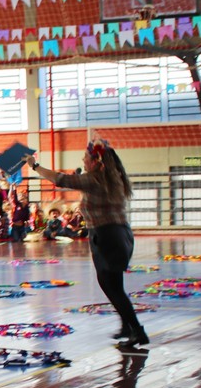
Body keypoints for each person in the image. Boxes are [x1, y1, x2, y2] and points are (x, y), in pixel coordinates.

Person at [28, 140, 147, 348]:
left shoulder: (95, 179)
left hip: (107, 235)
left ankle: (137, 331)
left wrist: (35, 166)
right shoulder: (113, 177)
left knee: (111, 286)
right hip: (119, 234)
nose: (83, 159)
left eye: (86, 157)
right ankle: (127, 327)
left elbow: (60, 179)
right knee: (113, 285)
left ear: (96, 162)